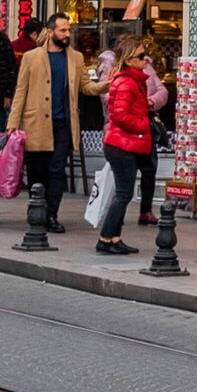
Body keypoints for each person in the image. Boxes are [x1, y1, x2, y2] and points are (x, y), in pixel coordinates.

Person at [10, 15, 90, 247]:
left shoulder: (76, 57)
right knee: (37, 171)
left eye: (68, 30)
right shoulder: (31, 57)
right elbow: (20, 92)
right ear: (51, 31)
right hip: (36, 123)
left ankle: (52, 215)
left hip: (63, 123)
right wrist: (12, 124)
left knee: (57, 170)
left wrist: (108, 83)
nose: (67, 34)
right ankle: (37, 212)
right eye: (63, 30)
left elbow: (85, 85)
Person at [94, 30, 161, 252]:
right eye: (141, 56)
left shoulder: (134, 81)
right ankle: (106, 238)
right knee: (123, 194)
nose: (146, 60)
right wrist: (143, 125)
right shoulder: (126, 83)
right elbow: (120, 115)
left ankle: (113, 238)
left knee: (124, 193)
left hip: (126, 144)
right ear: (130, 59)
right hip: (121, 145)